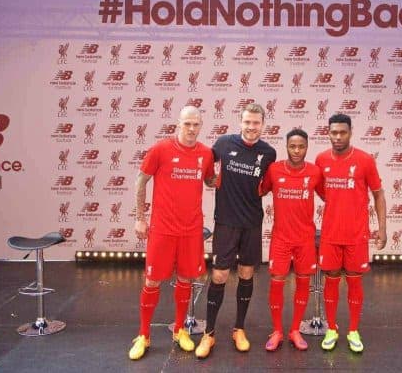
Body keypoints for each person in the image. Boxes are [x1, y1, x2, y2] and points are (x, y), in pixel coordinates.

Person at [128, 106, 215, 360]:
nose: (191, 129)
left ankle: (180, 330)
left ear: (201, 125)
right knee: (152, 281)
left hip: (190, 231)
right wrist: (139, 218)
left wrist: (227, 176)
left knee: (187, 279)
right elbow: (140, 182)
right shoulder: (160, 150)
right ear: (178, 124)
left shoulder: (206, 154)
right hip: (163, 230)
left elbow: (210, 181)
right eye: (187, 124)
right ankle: (144, 334)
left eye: (196, 124)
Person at [195, 103, 276, 358]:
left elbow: (269, 184)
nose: (251, 127)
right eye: (247, 122)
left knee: (246, 275)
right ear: (240, 122)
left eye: (256, 123)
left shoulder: (269, 153)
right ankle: (208, 334)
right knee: (219, 277)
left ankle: (239, 329)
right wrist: (210, 180)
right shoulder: (223, 144)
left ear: (263, 124)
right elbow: (206, 167)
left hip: (252, 223)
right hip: (226, 223)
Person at [315, 113, 387, 353]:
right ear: (328, 133)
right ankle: (332, 329)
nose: (337, 137)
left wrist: (383, 229)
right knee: (332, 280)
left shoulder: (365, 160)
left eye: (342, 132)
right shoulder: (321, 159)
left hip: (357, 235)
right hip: (331, 235)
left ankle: (353, 330)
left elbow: (378, 194)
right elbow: (322, 191)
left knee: (355, 281)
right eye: (333, 132)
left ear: (350, 132)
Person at [259, 129, 322, 351]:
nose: (296, 151)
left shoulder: (315, 172)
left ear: (307, 147)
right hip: (281, 238)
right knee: (277, 281)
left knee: (303, 281)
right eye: (292, 146)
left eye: (301, 146)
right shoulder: (274, 170)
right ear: (286, 146)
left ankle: (295, 330)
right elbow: (258, 191)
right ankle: (277, 331)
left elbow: (329, 196)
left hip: (305, 239)